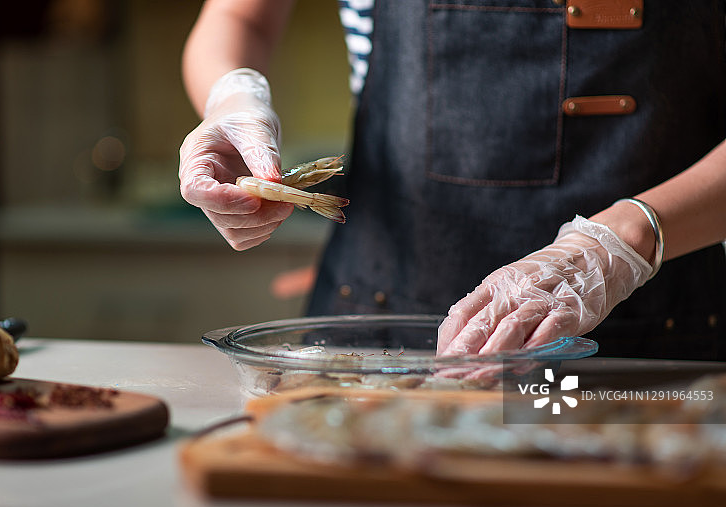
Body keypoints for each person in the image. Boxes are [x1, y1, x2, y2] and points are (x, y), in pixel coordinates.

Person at [179, 0, 726, 360]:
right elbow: (238, 19)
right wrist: (233, 96)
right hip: (384, 329)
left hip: (661, 334)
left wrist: (623, 241)